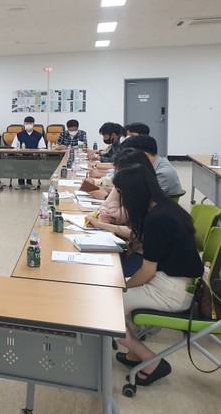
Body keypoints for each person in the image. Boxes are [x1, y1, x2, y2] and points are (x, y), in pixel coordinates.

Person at [111, 165, 202, 387]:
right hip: (176, 283)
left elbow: (147, 273)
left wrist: (123, 286)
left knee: (104, 307)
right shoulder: (167, 209)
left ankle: (151, 361)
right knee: (112, 293)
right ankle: (134, 355)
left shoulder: (157, 219)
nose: (122, 199)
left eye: (122, 193)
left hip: (169, 290)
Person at [87, 148, 158, 277]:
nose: (117, 173)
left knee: (109, 275)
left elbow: (136, 230)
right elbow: (105, 209)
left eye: (119, 170)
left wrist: (103, 224)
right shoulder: (134, 184)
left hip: (147, 256)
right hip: (134, 246)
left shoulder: (145, 196)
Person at [12, 116, 46, 189]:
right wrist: (19, 152)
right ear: (24, 124)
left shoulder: (38, 135)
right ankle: (21, 183)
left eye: (30, 123)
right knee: (17, 164)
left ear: (33, 124)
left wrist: (36, 153)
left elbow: (42, 147)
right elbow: (15, 146)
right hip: (21, 157)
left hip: (33, 157)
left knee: (31, 164)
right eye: (27, 123)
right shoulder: (19, 135)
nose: (28, 125)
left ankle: (29, 182)